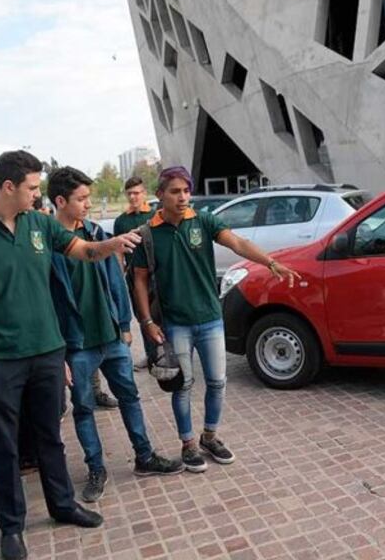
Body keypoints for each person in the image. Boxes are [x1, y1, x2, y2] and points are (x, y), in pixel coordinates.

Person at [0, 150, 143, 560]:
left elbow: (82, 250)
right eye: (33, 187)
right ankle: (11, 528)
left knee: (50, 437)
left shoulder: (38, 224)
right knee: (6, 448)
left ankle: (63, 505)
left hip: (48, 353)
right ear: (8, 187)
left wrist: (112, 245)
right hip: (0, 360)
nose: (38, 194)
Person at [131, 166, 300, 472]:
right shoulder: (148, 234)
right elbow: (139, 281)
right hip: (175, 323)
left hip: (210, 318)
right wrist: (147, 322)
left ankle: (209, 436)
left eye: (186, 191)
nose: (183, 197)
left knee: (217, 382)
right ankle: (188, 444)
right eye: (175, 191)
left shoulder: (204, 221)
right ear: (160, 195)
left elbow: (238, 243)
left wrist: (271, 262)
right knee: (182, 385)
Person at [47, 167, 184, 503]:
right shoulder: (47, 244)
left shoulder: (96, 233)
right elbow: (45, 300)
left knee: (130, 397)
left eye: (88, 198)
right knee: (83, 407)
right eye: (81, 199)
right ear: (60, 201)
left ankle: (144, 456)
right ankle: (96, 468)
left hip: (111, 337)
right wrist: (58, 350)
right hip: (76, 344)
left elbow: (116, 283)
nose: (88, 204)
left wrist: (124, 325)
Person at [114, 176, 155, 373]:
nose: (133, 197)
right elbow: (118, 251)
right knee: (143, 317)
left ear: (144, 193)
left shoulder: (155, 216)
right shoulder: (121, 221)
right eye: (129, 193)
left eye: (137, 193)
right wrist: (117, 277)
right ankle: (151, 355)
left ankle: (164, 354)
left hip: (157, 275)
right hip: (134, 277)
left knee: (161, 315)